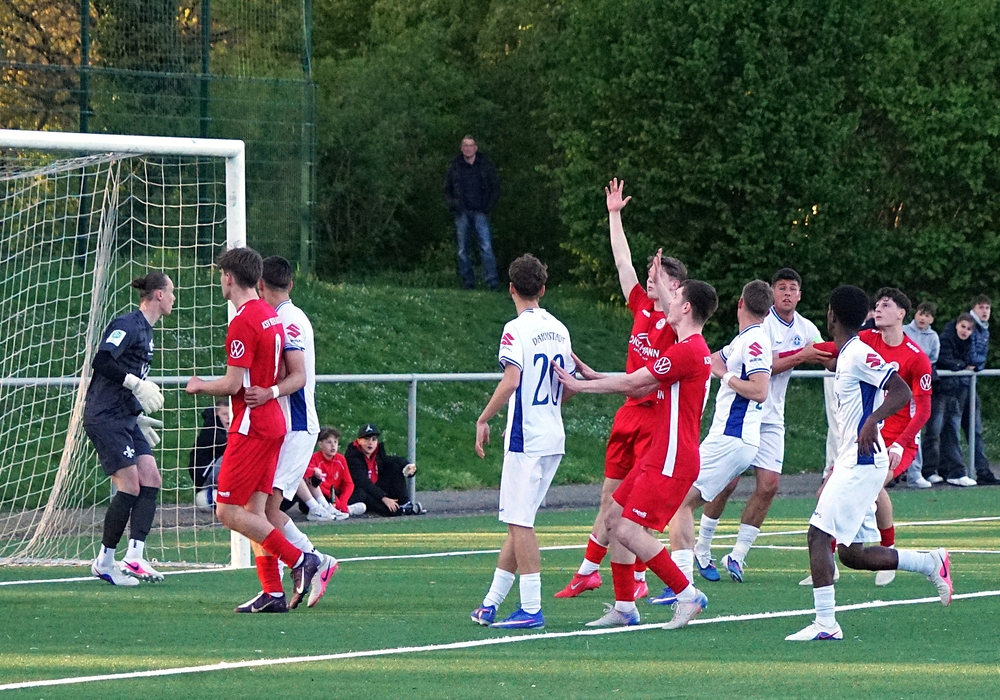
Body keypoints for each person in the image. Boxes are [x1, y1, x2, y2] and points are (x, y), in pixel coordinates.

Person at [786, 285, 952, 642]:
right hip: (853, 458)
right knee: (852, 554)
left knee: (817, 534)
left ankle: (826, 623)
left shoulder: (859, 352)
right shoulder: (851, 350)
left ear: (832, 315)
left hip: (862, 459)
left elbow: (901, 391)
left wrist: (872, 421)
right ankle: (930, 562)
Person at [554, 273, 718, 630]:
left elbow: (633, 382)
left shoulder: (688, 350)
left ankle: (687, 594)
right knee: (614, 519)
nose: (668, 301)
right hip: (661, 453)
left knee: (629, 530)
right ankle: (625, 607)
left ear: (686, 307)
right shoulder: (687, 347)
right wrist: (595, 376)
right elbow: (639, 385)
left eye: (676, 296)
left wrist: (580, 387)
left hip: (673, 457)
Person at [554, 179, 685, 601]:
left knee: (636, 508)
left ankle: (639, 579)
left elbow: (674, 318)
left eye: (659, 276)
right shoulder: (642, 306)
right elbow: (622, 261)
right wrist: (614, 215)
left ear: (676, 288)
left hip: (655, 419)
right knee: (609, 498)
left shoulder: (679, 324)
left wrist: (589, 383)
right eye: (651, 274)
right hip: (629, 411)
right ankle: (590, 572)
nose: (650, 279)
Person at [185, 247, 326, 614]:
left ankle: (301, 559)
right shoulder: (270, 316)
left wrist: (200, 386)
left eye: (221, 275)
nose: (220, 281)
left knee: (227, 511)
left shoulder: (244, 320)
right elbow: (283, 370)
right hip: (273, 422)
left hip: (251, 426)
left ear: (229, 277)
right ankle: (272, 592)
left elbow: (233, 384)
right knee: (255, 511)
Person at [690, 268, 831, 584]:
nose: (787, 293)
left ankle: (738, 555)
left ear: (800, 295)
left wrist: (846, 350)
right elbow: (762, 371)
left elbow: (827, 356)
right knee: (725, 483)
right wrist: (800, 356)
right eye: (781, 287)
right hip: (743, 416)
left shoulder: (806, 328)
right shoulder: (759, 326)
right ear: (771, 295)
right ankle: (702, 547)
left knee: (769, 485)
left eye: (792, 288)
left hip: (772, 418)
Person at [470, 254, 575, 630]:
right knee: (520, 520)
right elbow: (570, 383)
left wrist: (484, 418)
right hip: (551, 434)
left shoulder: (515, 329)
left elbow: (512, 379)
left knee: (519, 523)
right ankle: (491, 603)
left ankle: (531, 608)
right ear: (542, 289)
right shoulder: (560, 329)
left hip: (526, 439)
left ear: (511, 288)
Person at [657, 280, 772, 608]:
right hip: (731, 438)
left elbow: (760, 390)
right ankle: (683, 582)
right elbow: (706, 357)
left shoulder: (754, 342)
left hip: (732, 438)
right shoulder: (743, 340)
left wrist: (726, 376)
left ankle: (682, 587)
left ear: (740, 304)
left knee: (678, 501)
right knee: (681, 502)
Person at [242, 254, 338, 609]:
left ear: (260, 285)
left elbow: (296, 375)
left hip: (295, 424)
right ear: (291, 284)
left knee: (263, 510)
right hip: (281, 426)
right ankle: (296, 572)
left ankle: (308, 563)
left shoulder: (288, 320)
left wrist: (265, 390)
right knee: (258, 508)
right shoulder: (283, 317)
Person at [86, 272, 173, 585]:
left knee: (151, 478)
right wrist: (136, 384)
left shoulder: (147, 331)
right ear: (159, 295)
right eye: (171, 292)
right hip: (106, 416)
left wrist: (136, 415)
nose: (174, 298)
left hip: (126, 416)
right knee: (130, 486)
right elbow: (102, 361)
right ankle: (104, 562)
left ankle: (134, 557)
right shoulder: (128, 324)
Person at [858, 288, 933, 587]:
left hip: (899, 440)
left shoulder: (916, 357)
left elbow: (924, 410)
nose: (878, 309)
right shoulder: (866, 340)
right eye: (877, 305)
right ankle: (826, 559)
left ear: (901, 313)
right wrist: (799, 354)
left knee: (872, 484)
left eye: (886, 305)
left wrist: (901, 444)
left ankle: (888, 551)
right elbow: (832, 348)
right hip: (867, 435)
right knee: (828, 489)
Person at [444, 135, 500, 291]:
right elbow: (447, 189)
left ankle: (492, 282)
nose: (468, 148)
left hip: (480, 211)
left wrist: (488, 206)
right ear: (461, 148)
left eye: (470, 145)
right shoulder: (455, 166)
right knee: (462, 250)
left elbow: (495, 186)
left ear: (475, 148)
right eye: (465, 145)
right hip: (461, 212)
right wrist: (453, 205)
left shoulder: (485, 165)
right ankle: (468, 283)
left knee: (486, 247)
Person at [933, 313, 980, 486]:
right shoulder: (946, 338)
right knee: (937, 432)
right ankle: (947, 471)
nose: (965, 331)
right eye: (963, 327)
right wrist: (961, 365)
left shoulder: (968, 342)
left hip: (957, 389)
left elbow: (974, 360)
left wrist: (964, 365)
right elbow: (944, 359)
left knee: (950, 430)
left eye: (968, 329)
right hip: (943, 389)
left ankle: (951, 470)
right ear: (957, 325)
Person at [345, 424, 420, 516]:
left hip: (375, 488)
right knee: (363, 495)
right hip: (360, 491)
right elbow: (363, 482)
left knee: (394, 467)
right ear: (359, 441)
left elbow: (391, 460)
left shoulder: (377, 453)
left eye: (373, 439)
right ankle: (396, 510)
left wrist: (407, 467)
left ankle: (404, 503)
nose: (370, 443)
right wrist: (383, 497)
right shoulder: (352, 457)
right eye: (367, 439)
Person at [903, 301, 939, 489]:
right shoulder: (903, 331)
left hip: (918, 389)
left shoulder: (933, 337)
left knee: (914, 429)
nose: (923, 318)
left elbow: (932, 359)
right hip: (899, 386)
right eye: (920, 314)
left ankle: (914, 473)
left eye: (927, 315)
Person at [964, 295, 997, 484]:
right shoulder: (968, 325)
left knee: (975, 428)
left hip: (970, 382)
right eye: (981, 307)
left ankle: (983, 471)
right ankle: (950, 470)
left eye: (987, 308)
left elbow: (981, 358)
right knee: (947, 428)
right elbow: (970, 355)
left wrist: (977, 365)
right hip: (958, 384)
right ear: (974, 308)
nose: (985, 311)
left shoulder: (984, 329)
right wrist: (974, 364)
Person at [303, 427, 365, 518]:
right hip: (325, 494)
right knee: (305, 504)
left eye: (335, 442)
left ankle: (342, 508)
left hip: (336, 494)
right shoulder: (315, 458)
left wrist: (343, 501)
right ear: (320, 444)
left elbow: (348, 483)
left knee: (360, 493)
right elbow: (314, 484)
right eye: (329, 442)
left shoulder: (340, 459)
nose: (333, 446)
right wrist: (335, 499)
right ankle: (346, 510)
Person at [188, 399, 230, 509]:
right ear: (216, 414)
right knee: (233, 457)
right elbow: (226, 446)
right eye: (224, 414)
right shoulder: (210, 429)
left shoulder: (224, 429)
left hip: (211, 473)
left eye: (230, 414)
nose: (228, 417)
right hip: (205, 475)